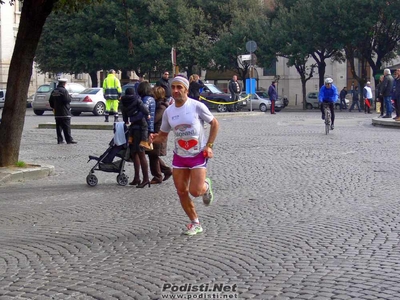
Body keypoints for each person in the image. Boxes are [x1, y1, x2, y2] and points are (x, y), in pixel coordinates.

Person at [150, 75, 219, 236]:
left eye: (179, 87)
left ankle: (206, 186)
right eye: (173, 87)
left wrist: (209, 146)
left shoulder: (197, 106)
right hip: (179, 156)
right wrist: (153, 138)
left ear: (186, 89)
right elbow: (163, 135)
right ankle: (195, 223)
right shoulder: (169, 111)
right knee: (181, 191)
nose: (175, 90)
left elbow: (214, 123)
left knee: (195, 191)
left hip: (198, 154)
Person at [147, 86, 172, 184]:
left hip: (158, 133)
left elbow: (155, 119)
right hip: (156, 132)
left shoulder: (161, 107)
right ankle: (166, 171)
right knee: (153, 155)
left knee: (153, 155)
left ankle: (158, 176)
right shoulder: (159, 105)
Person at [48, 78, 77, 144]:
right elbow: (67, 100)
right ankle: (69, 140)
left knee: (58, 127)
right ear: (64, 83)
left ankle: (60, 140)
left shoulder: (54, 91)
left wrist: (54, 107)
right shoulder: (64, 91)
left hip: (57, 112)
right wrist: (70, 97)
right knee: (66, 127)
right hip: (64, 112)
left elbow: (50, 101)